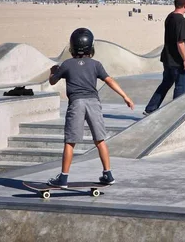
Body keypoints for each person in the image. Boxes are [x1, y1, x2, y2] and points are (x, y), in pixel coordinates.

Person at [47, 28, 135, 188]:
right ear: (91, 47)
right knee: (100, 140)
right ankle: (108, 174)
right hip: (94, 102)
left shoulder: (67, 64)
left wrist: (52, 72)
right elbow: (109, 80)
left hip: (77, 103)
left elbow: (52, 81)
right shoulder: (96, 65)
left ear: (72, 47)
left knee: (70, 141)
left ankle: (63, 178)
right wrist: (125, 96)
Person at [144, 0, 185, 115]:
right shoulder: (181, 20)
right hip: (177, 60)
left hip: (168, 57)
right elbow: (180, 42)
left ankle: (151, 108)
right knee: (180, 86)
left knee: (166, 83)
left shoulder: (170, 17)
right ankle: (177, 112)